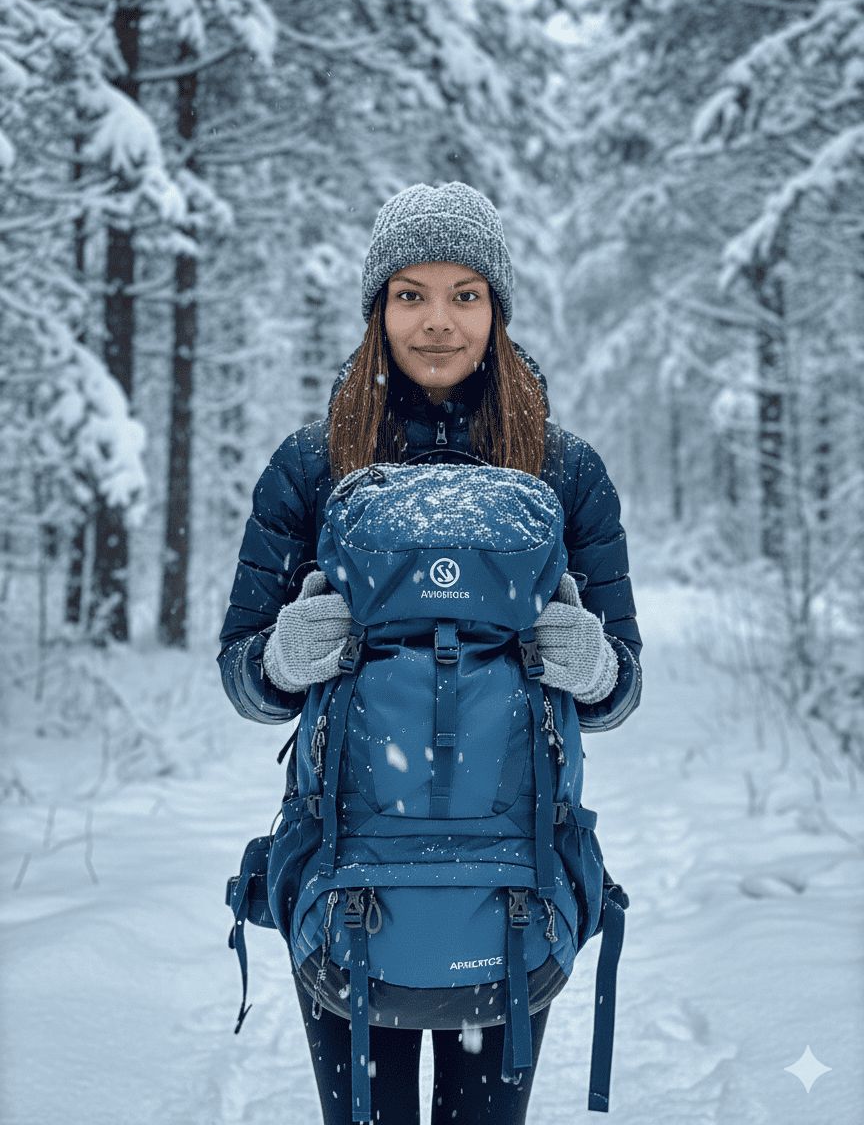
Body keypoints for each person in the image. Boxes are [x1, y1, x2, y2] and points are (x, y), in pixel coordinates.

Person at [218, 181, 643, 1125]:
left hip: (514, 877)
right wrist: (284, 658)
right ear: (378, 311)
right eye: (410, 294)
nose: (439, 322)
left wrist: (594, 664)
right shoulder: (311, 463)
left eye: (465, 293)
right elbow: (242, 672)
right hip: (348, 866)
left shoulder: (564, 471)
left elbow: (621, 686)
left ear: (497, 308)